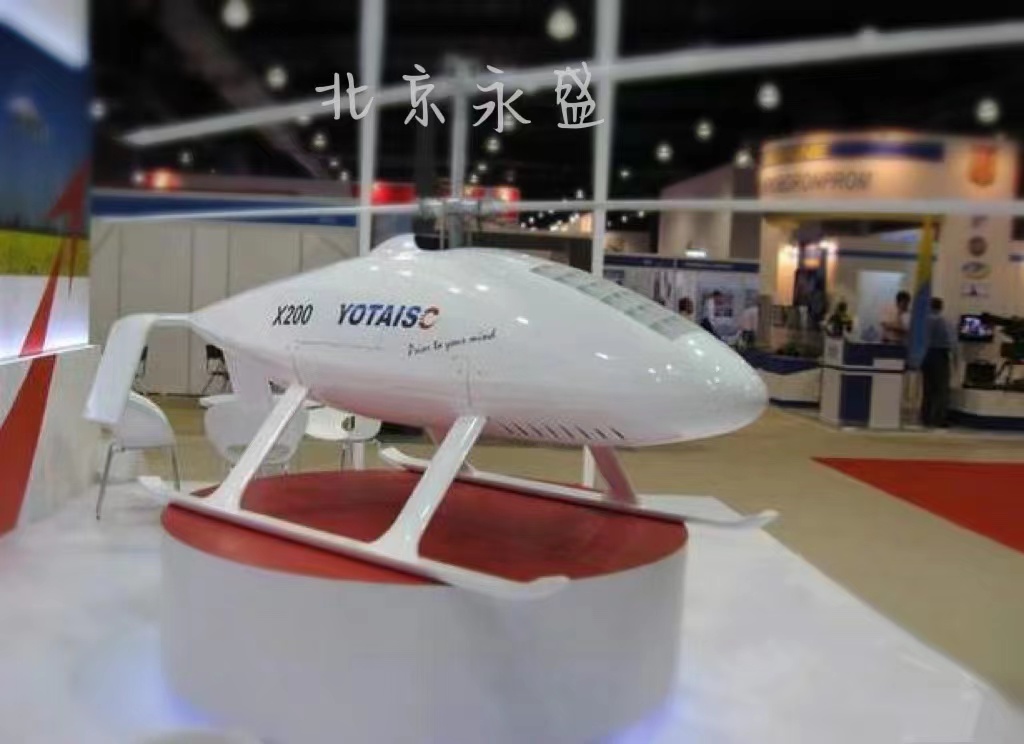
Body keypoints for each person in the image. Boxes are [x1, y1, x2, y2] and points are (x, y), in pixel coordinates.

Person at [920, 297, 954, 428]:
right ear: (941, 307)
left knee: (927, 389)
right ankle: (939, 419)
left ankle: (926, 417)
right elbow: (950, 341)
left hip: (926, 354)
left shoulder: (924, 321)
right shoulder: (943, 321)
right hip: (940, 354)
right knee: (941, 389)